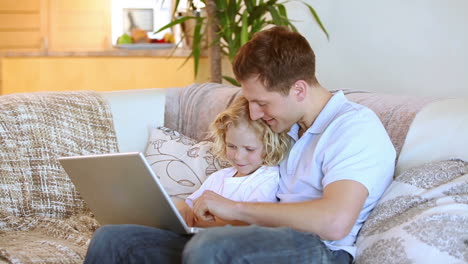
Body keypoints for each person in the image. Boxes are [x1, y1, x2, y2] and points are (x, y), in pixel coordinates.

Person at [84, 26, 396, 264]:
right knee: (114, 239)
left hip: (319, 250)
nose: (255, 113)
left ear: (299, 89)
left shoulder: (353, 127)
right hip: (258, 240)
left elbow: (335, 221)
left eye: (262, 103)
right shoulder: (289, 128)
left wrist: (235, 208)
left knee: (211, 247)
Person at [177, 95, 291, 227]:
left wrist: (200, 222)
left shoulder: (268, 178)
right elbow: (189, 208)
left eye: (249, 149)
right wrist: (181, 207)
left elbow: (253, 224)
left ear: (270, 146)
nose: (238, 156)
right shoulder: (219, 177)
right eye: (231, 146)